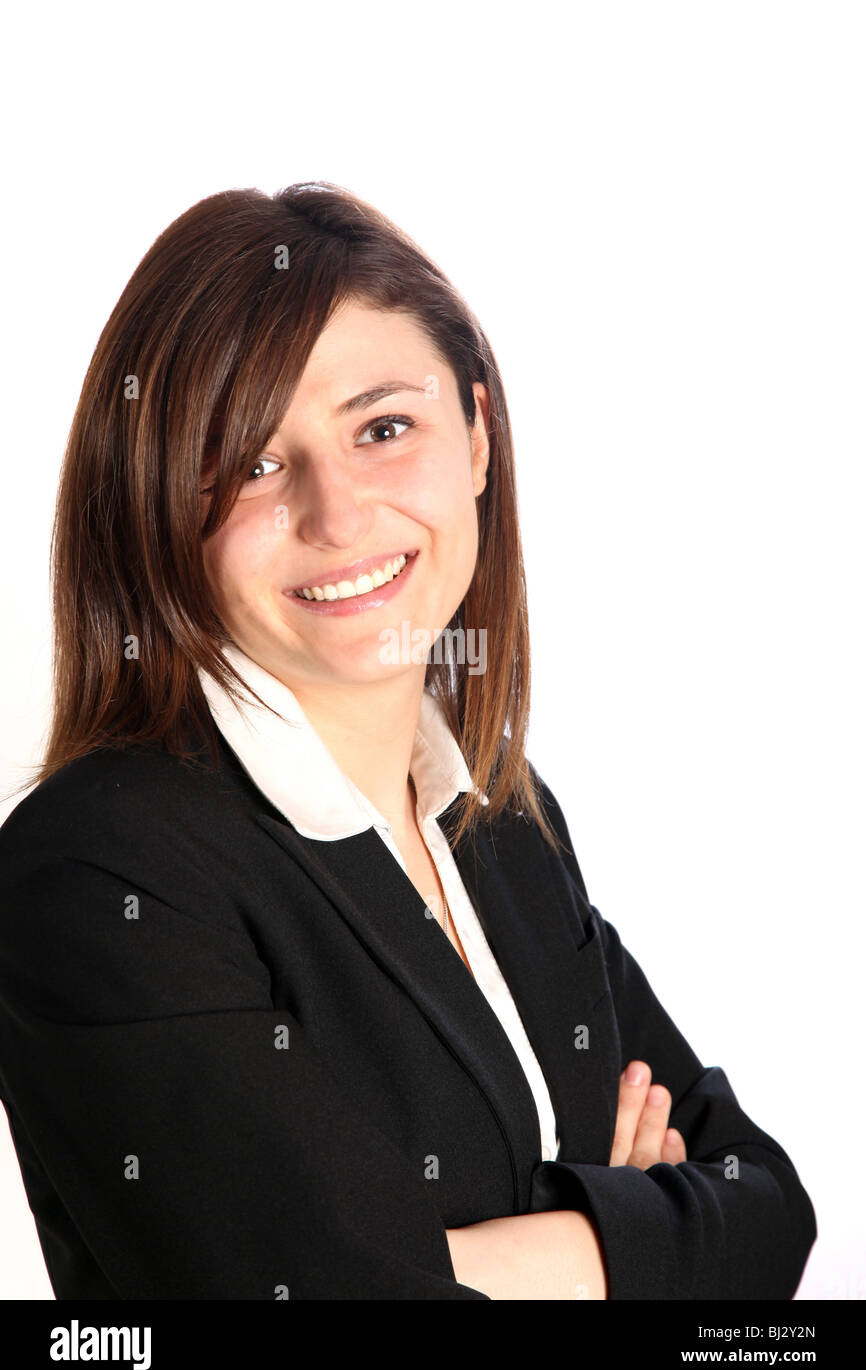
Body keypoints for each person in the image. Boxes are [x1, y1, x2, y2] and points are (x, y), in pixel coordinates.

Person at [0, 181, 816, 1300]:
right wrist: (630, 1229)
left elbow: (766, 1206)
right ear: (154, 509)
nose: (336, 514)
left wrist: (482, 1257)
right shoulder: (97, 870)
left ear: (476, 438)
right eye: (250, 461)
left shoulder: (499, 815)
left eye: (384, 428)